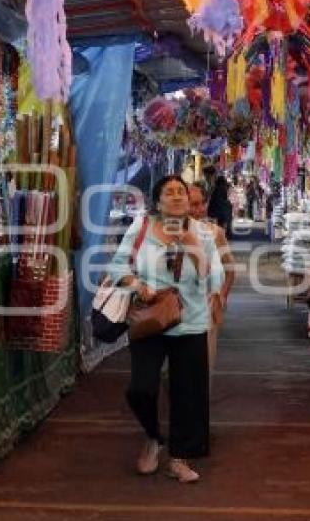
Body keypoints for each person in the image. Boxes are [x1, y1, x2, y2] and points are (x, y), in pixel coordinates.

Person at [107, 175, 224, 483]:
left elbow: (215, 281)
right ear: (158, 202)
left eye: (180, 192)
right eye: (168, 192)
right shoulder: (141, 228)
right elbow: (117, 266)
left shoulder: (203, 233)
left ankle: (179, 458)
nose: (176, 196)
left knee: (188, 394)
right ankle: (153, 436)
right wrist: (137, 285)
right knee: (140, 389)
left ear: (188, 200)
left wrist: (194, 247)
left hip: (191, 321)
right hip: (150, 319)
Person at [188, 183, 236, 376]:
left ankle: (199, 403)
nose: (198, 210)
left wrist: (221, 297)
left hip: (207, 306)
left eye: (201, 204)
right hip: (179, 308)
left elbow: (231, 270)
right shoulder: (170, 232)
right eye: (193, 204)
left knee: (204, 364)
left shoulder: (215, 233)